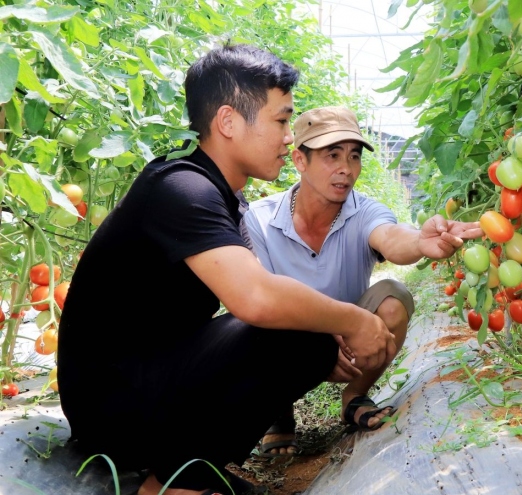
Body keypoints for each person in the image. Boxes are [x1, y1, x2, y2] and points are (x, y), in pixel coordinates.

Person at [57, 45, 402, 495]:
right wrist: (354, 321)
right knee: (300, 334)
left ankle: (188, 467)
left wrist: (327, 335)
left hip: (148, 378)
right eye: (281, 121)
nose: (287, 138)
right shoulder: (183, 189)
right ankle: (173, 481)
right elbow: (256, 298)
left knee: (306, 333)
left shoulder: (219, 195)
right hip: (110, 407)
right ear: (228, 122)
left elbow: (265, 292)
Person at [244, 106, 483, 457]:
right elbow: (260, 299)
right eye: (332, 155)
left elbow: (390, 236)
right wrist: (323, 339)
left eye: (354, 156)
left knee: (393, 297)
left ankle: (354, 395)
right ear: (299, 160)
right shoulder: (260, 219)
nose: (346, 169)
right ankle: (279, 411)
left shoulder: (364, 211)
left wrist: (419, 241)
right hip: (288, 340)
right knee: (253, 319)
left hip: (351, 343)